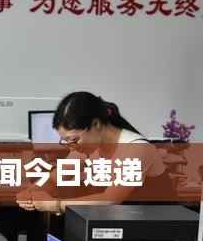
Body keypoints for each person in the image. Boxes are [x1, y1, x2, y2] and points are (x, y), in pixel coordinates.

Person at [17, 91, 169, 213]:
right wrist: (32, 190)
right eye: (66, 141)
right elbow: (54, 179)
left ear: (96, 124)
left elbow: (110, 199)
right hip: (118, 218)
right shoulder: (86, 148)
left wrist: (55, 205)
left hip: (151, 224)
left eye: (74, 139)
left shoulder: (136, 148)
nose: (71, 147)